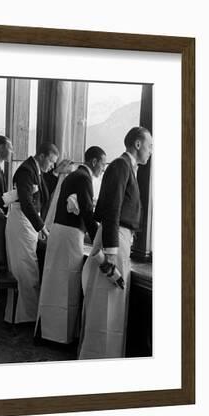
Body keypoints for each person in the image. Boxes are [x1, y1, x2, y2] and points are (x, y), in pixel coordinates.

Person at [79, 127, 152, 359]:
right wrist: (111, 253)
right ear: (137, 145)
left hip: (119, 239)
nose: (151, 152)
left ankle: (106, 356)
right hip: (115, 239)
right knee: (106, 302)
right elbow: (112, 209)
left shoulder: (128, 168)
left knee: (112, 302)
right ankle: (98, 358)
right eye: (149, 146)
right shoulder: (120, 166)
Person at [35, 146, 106, 344]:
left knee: (55, 284)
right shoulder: (83, 178)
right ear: (94, 161)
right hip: (69, 236)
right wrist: (99, 240)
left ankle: (51, 332)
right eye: (102, 163)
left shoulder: (75, 176)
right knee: (66, 284)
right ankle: (58, 337)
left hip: (61, 234)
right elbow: (86, 211)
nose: (103, 168)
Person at [5, 142, 60, 324]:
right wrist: (42, 227)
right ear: (42, 156)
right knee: (26, 270)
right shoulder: (26, 170)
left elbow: (42, 192)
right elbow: (27, 203)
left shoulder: (35, 170)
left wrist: (57, 174)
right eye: (51, 162)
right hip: (22, 222)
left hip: (26, 222)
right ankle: (26, 318)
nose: (51, 166)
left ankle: (24, 315)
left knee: (28, 269)